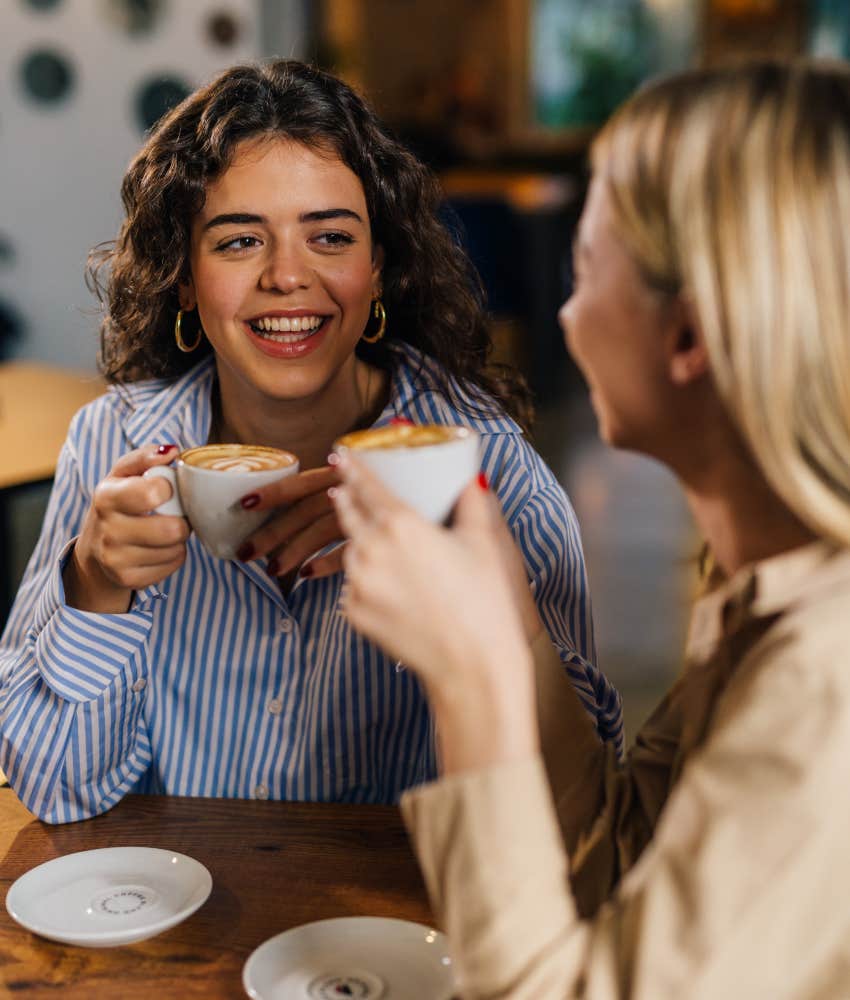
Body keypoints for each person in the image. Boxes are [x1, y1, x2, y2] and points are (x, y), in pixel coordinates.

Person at [324, 60, 850, 997]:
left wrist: (469, 678)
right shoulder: (760, 589)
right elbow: (626, 855)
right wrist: (516, 624)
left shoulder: (825, 690)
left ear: (689, 336)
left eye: (585, 266)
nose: (564, 316)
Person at [0, 60, 621, 824]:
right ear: (184, 280)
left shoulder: (485, 469)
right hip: (177, 924)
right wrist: (95, 586)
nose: (289, 277)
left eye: (329, 236)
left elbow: (579, 826)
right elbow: (58, 793)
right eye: (237, 243)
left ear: (378, 268)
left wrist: (474, 605)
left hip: (406, 930)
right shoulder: (112, 443)